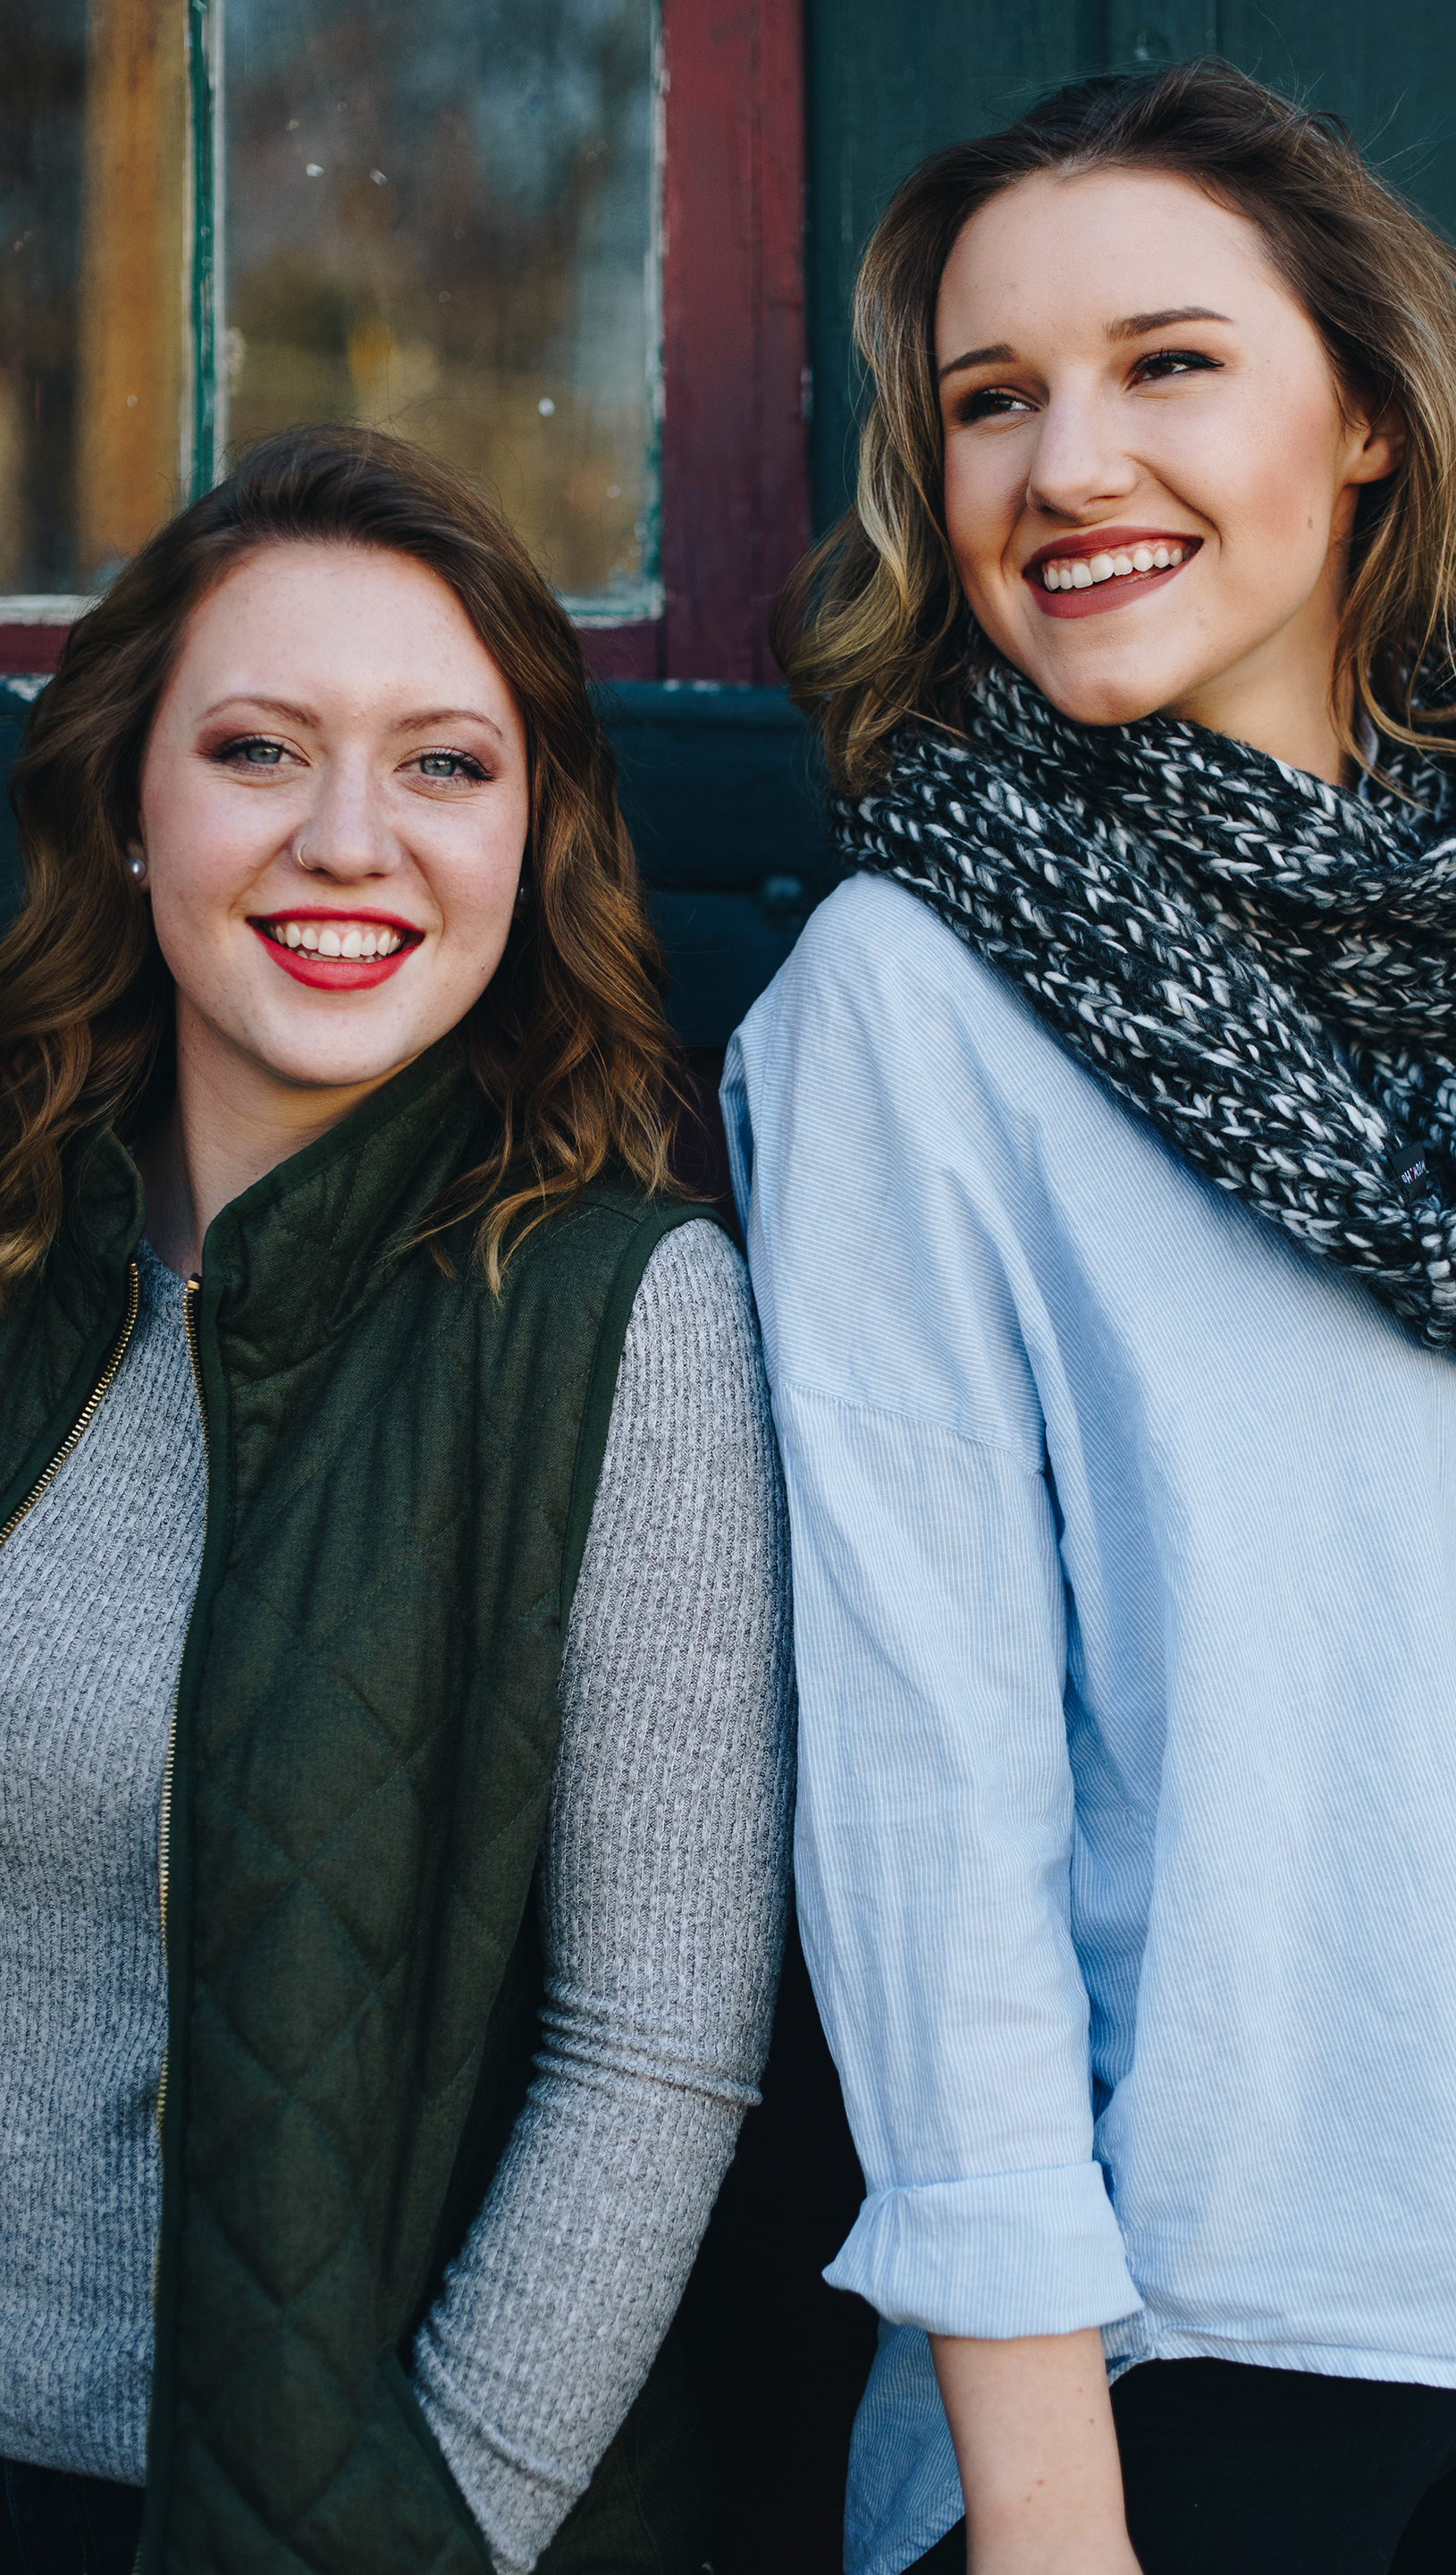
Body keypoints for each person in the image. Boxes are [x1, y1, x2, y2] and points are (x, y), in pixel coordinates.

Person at [724, 57, 1456, 2575]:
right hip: (1192, 2354)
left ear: (1366, 415)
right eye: (991, 398)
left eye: (1167, 362)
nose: (1068, 465)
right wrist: (1051, 2508)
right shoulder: (909, 1009)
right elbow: (926, 1801)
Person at [0, 425, 794, 2575]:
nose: (348, 839)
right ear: (129, 808)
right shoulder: (20, 1261)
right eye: (258, 749)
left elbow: (654, 2055)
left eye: (444, 765)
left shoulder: (621, 1326)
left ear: (533, 839)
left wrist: (423, 2531)